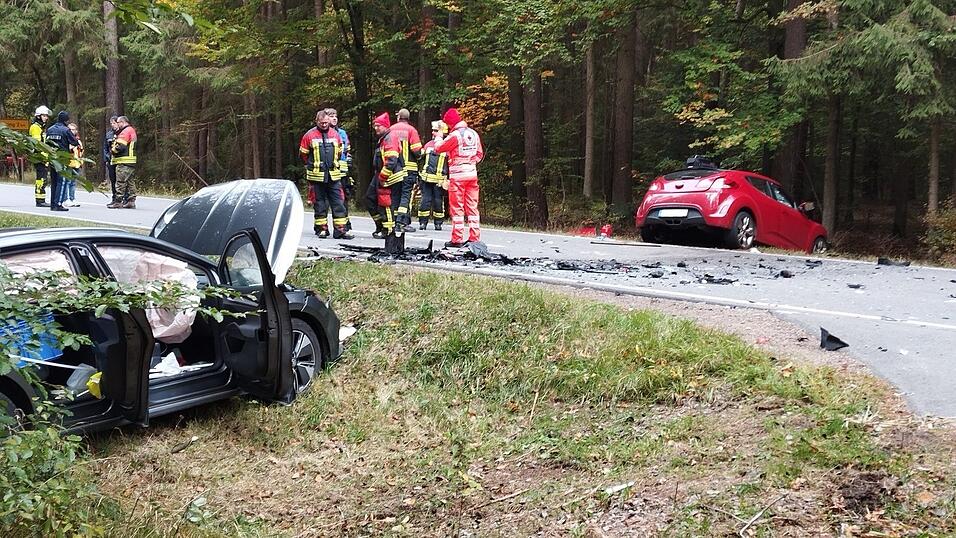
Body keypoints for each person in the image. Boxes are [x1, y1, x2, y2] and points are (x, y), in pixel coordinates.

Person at [299, 110, 353, 239]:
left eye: (326, 123)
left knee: (338, 202)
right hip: (317, 176)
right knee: (320, 203)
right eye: (321, 123)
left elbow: (340, 152)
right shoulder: (309, 135)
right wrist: (312, 166)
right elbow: (303, 154)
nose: (324, 125)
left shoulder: (335, 134)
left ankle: (340, 230)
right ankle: (321, 229)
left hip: (334, 175)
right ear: (316, 121)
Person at [434, 107, 484, 248]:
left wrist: (438, 136)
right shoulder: (473, 134)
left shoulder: (455, 135)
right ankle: (475, 237)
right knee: (472, 207)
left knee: (457, 208)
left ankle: (457, 239)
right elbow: (479, 154)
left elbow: (439, 148)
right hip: (472, 175)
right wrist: (470, 162)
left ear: (450, 124)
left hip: (458, 176)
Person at [369, 112, 404, 239]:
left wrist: (383, 177)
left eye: (378, 126)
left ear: (385, 126)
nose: (376, 128)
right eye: (375, 125)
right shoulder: (384, 138)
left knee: (386, 203)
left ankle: (389, 230)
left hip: (389, 176)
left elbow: (391, 161)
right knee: (370, 199)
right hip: (381, 174)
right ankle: (381, 225)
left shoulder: (390, 138)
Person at [388, 108, 422, 232]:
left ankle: (395, 220)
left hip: (394, 168)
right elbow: (417, 150)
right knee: (406, 195)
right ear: (408, 118)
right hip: (409, 168)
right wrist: (420, 156)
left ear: (398, 117)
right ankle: (402, 222)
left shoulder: (391, 129)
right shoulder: (411, 130)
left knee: (395, 195)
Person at [44, 110, 80, 212]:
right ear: (66, 120)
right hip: (62, 159)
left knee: (54, 181)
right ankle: (58, 204)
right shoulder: (65, 130)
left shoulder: (50, 129)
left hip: (52, 158)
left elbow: (46, 143)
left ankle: (53, 203)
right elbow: (74, 141)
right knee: (62, 181)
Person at [326, 107, 354, 231]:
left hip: (342, 172)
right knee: (327, 199)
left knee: (343, 197)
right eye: (331, 115)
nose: (334, 118)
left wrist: (348, 160)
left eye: (335, 115)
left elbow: (347, 149)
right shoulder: (322, 133)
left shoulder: (342, 133)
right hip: (328, 172)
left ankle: (345, 222)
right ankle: (323, 225)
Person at [418, 120, 449, 230]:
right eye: (433, 130)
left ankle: (434, 223)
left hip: (436, 180)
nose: (433, 133)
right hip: (431, 179)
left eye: (435, 131)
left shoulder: (443, 146)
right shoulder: (431, 145)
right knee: (428, 201)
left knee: (435, 201)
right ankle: (427, 223)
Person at [108, 116, 137, 209]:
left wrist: (112, 151)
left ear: (122, 122)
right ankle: (131, 201)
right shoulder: (132, 130)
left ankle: (118, 201)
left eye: (118, 122)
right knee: (130, 182)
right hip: (131, 161)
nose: (117, 124)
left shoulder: (125, 131)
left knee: (120, 182)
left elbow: (120, 146)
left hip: (124, 161)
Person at [29, 105, 52, 207]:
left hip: (43, 157)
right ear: (39, 116)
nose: (46, 118)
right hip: (39, 157)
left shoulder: (40, 127)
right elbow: (37, 144)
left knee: (43, 178)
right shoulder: (35, 127)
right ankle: (40, 200)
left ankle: (41, 199)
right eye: (44, 116)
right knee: (41, 179)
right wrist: (43, 157)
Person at [62, 123, 83, 207]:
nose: (72, 131)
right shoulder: (67, 140)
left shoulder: (78, 140)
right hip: (69, 163)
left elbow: (80, 152)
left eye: (74, 130)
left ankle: (72, 198)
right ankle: (66, 199)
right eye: (70, 130)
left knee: (73, 183)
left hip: (76, 164)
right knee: (67, 181)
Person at [102, 116, 118, 200]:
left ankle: (123, 197)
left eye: (114, 123)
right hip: (110, 160)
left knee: (121, 180)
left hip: (119, 160)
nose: (112, 125)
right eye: (111, 123)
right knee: (113, 180)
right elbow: (105, 147)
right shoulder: (108, 134)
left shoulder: (122, 133)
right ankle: (114, 196)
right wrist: (106, 159)